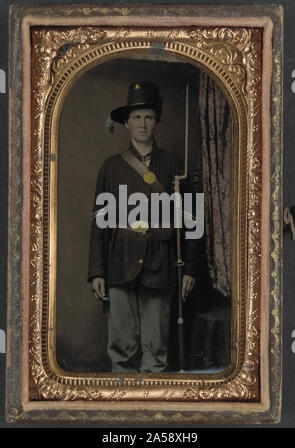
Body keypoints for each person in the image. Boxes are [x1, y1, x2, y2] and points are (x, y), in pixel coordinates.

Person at [88, 81, 198, 373]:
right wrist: (96, 271)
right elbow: (99, 222)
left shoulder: (175, 166)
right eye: (136, 117)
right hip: (119, 264)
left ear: (156, 120)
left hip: (161, 265)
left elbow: (192, 222)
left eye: (148, 116)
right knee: (121, 351)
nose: (142, 123)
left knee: (156, 352)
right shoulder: (110, 168)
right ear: (125, 122)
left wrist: (189, 270)